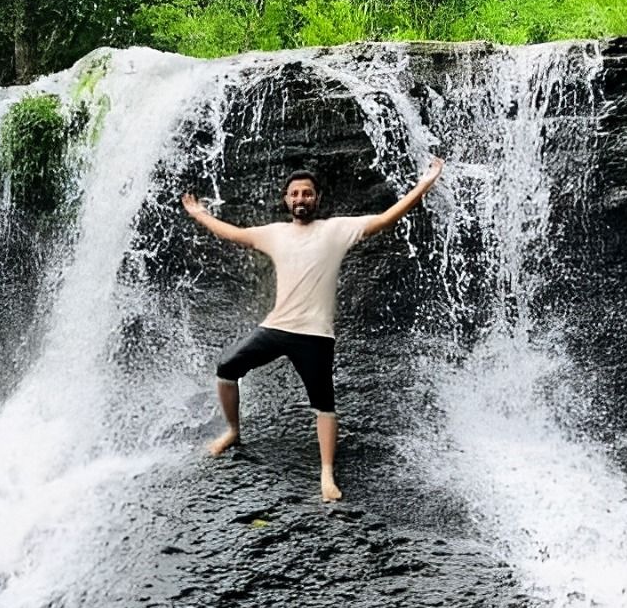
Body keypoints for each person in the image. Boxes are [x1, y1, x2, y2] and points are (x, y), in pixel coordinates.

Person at [181, 161, 444, 501]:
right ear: (286, 200)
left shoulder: (337, 230)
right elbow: (232, 233)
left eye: (307, 193)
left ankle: (326, 474)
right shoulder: (273, 233)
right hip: (275, 328)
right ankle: (233, 430)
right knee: (226, 368)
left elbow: (386, 218)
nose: (300, 198)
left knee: (323, 403)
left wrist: (424, 184)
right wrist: (199, 214)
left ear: (317, 197)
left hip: (316, 335)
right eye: (294, 194)